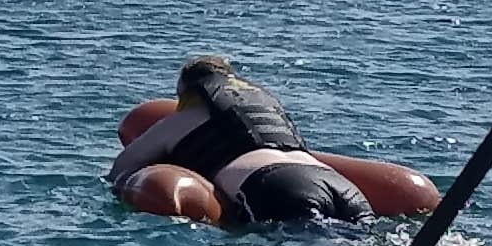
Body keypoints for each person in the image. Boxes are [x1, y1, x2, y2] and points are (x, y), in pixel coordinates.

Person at [106, 54, 434, 230]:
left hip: (276, 188)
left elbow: (121, 169)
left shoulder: (180, 120)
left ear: (188, 94)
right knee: (366, 243)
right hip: (339, 185)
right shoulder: (269, 110)